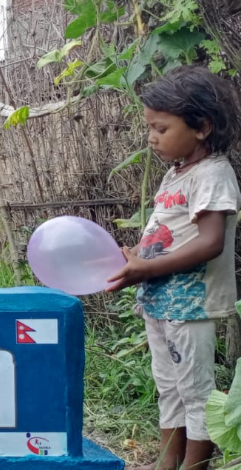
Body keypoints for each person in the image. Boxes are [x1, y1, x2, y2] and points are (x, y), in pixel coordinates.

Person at [106, 66, 241, 470]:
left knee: (194, 390)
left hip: (192, 305)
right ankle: (169, 463)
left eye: (161, 128)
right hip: (162, 302)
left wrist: (146, 269)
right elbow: (171, 230)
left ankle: (195, 465)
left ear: (201, 126)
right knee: (169, 387)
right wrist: (139, 258)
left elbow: (209, 242)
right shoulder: (176, 172)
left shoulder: (213, 174)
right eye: (150, 127)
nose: (151, 137)